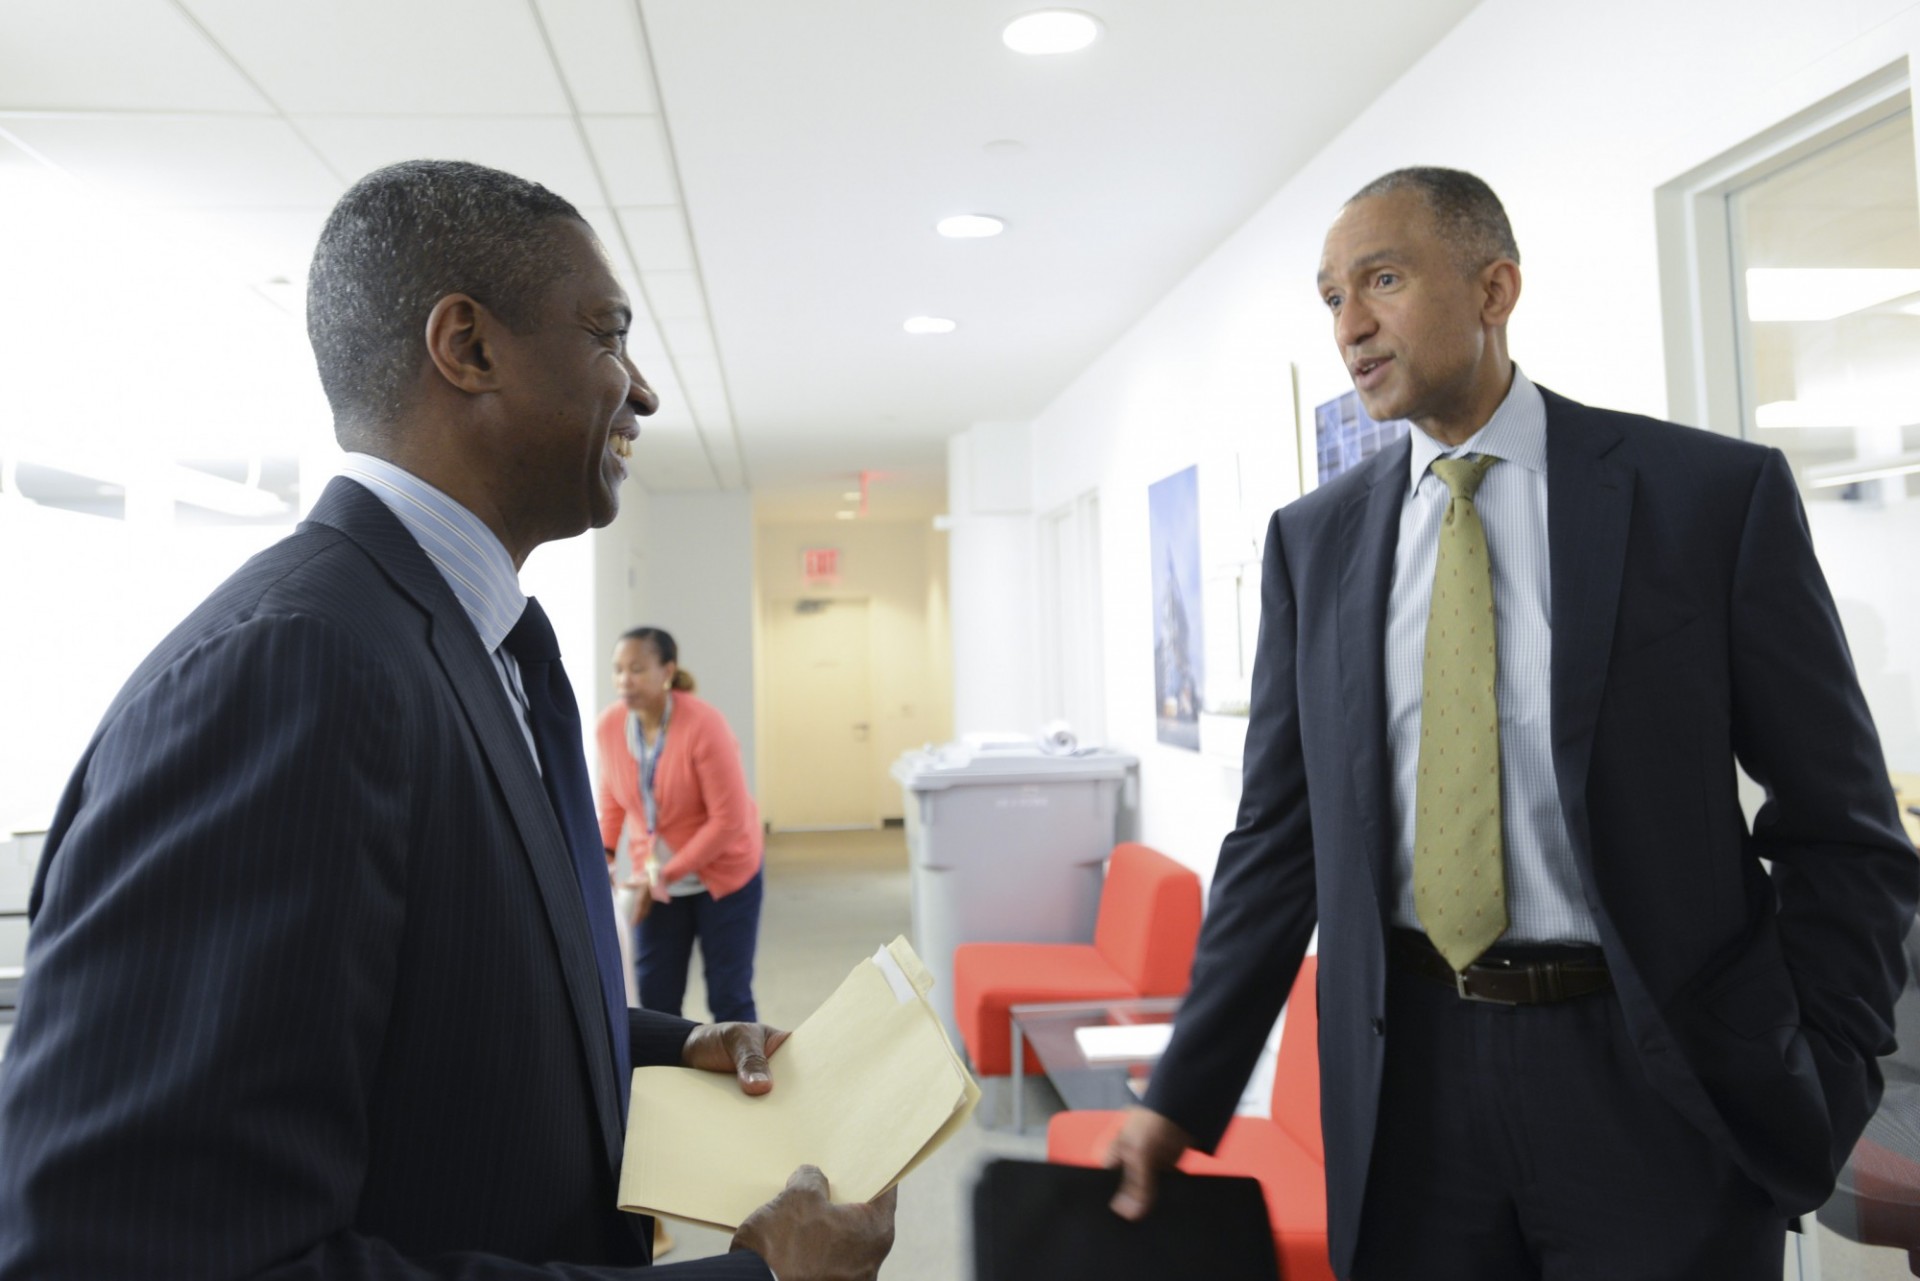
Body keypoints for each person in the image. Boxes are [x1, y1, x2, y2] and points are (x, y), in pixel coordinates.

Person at [0, 160, 893, 1280]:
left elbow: (447, 1000)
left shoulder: (478, 647)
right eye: (607, 335)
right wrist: (758, 1280)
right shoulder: (299, 670)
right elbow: (149, 1250)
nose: (645, 392)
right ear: (468, 348)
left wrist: (667, 1046)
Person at [1108, 166, 1920, 1280]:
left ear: (1495, 289)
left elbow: (1842, 823)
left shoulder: (1704, 499)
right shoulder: (1318, 543)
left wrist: (1824, 1075)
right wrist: (1186, 1092)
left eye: (1382, 280)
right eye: (1332, 296)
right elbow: (1276, 841)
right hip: (1408, 1086)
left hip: (1652, 1078)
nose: (1351, 324)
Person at [600, 628, 766, 1024]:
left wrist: (660, 877)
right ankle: (669, 1084)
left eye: (637, 669)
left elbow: (729, 821)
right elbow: (611, 794)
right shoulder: (610, 726)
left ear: (667, 671)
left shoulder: (704, 725)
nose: (625, 680)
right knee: (655, 995)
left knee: (729, 995)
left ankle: (749, 1073)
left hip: (724, 875)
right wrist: (605, 855)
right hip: (656, 881)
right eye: (618, 670)